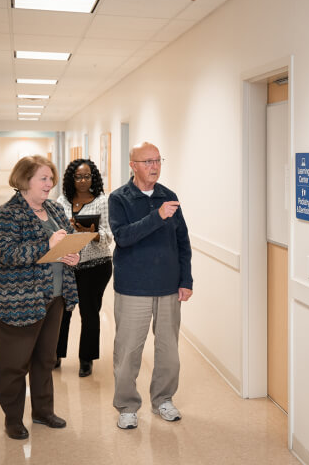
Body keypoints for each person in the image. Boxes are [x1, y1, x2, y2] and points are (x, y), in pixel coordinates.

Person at [0, 155, 80, 440]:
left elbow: (69, 237)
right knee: (14, 365)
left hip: (53, 297)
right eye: (43, 178)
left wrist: (73, 254)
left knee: (44, 359)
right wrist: (47, 244)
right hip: (15, 302)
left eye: (51, 178)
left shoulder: (53, 209)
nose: (50, 184)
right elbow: (8, 253)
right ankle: (13, 419)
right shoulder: (6, 215)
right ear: (25, 180)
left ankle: (42, 412)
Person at [108, 142, 192, 430]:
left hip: (169, 286)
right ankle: (127, 406)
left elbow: (183, 242)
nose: (154, 166)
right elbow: (123, 237)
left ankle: (164, 400)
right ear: (133, 165)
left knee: (169, 350)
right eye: (147, 161)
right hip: (133, 287)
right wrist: (157, 217)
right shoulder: (119, 198)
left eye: (157, 160)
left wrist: (186, 280)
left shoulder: (169, 196)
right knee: (128, 350)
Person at [55, 159, 113, 377]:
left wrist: (92, 232)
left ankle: (86, 359)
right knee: (63, 312)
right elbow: (54, 233)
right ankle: (56, 354)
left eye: (87, 176)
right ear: (71, 178)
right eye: (78, 176)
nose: (82, 180)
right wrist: (66, 228)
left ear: (93, 177)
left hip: (96, 266)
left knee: (89, 313)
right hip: (68, 264)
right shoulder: (61, 201)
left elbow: (108, 237)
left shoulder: (101, 201)